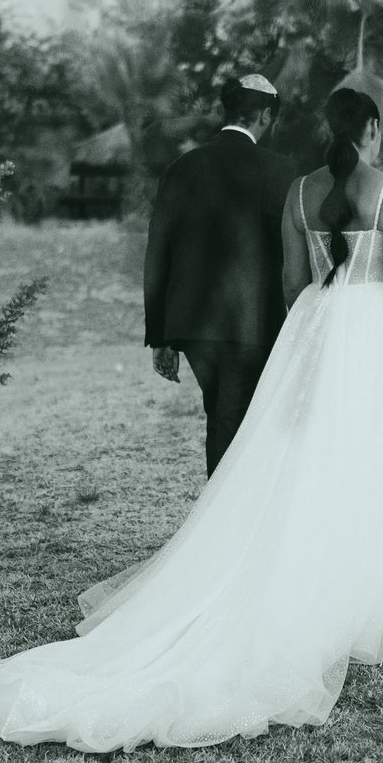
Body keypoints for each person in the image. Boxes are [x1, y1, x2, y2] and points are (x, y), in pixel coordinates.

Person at [0, 85, 383, 752]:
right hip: (378, 319)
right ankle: (380, 578)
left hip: (314, 321)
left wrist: (313, 327)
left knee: (298, 453)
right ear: (370, 129)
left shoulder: (299, 192)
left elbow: (291, 279)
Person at [143, 73, 298, 476]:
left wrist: (161, 337)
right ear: (265, 115)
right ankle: (224, 524)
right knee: (232, 422)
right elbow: (288, 251)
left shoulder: (181, 168)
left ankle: (228, 516)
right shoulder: (278, 170)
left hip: (190, 326)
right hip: (249, 324)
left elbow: (158, 253)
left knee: (224, 415)